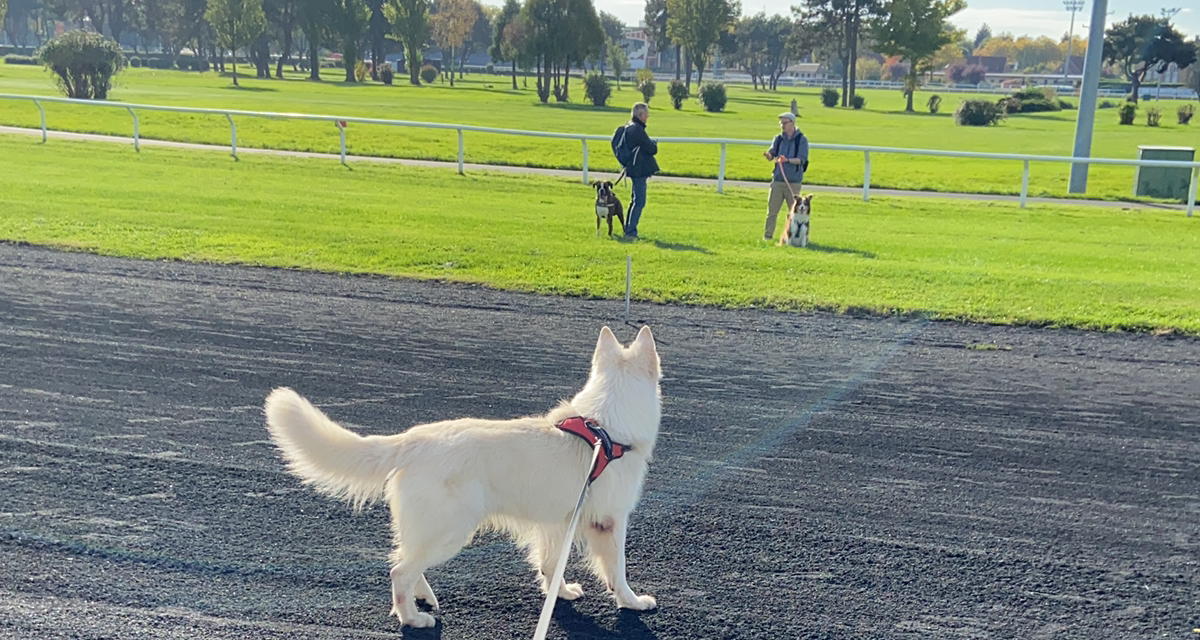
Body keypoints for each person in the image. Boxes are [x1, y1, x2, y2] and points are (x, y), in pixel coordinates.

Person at [762, 111, 809, 242]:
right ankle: (767, 237)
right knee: (772, 211)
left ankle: (794, 238)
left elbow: (801, 159)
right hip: (777, 180)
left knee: (794, 213)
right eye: (781, 123)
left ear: (792, 123)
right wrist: (769, 156)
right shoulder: (778, 139)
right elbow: (773, 153)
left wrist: (786, 160)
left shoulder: (802, 140)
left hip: (793, 182)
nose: (782, 125)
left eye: (784, 123)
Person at [619, 102, 660, 240]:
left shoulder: (630, 127)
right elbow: (651, 149)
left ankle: (629, 230)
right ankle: (631, 232)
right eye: (646, 113)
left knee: (635, 200)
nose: (648, 115)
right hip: (639, 169)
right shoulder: (637, 130)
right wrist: (653, 144)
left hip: (634, 168)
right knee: (639, 201)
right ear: (641, 115)